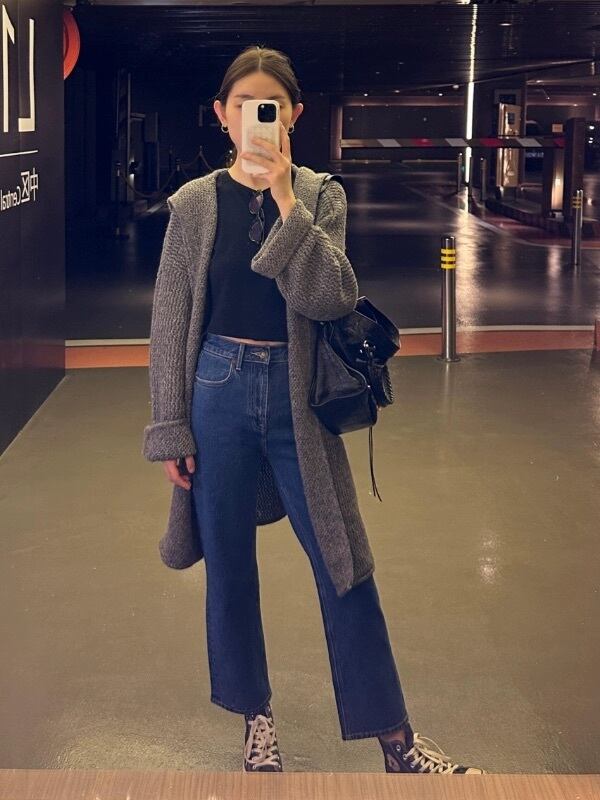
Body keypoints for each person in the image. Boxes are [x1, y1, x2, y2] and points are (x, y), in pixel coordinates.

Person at [147, 44, 487, 776]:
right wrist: (169, 425)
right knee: (229, 567)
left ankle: (396, 739)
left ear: (294, 115)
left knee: (344, 562)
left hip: (298, 397)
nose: (255, 117)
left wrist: (284, 201)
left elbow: (330, 297)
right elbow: (170, 319)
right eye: (243, 105)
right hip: (216, 389)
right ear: (221, 115)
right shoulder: (195, 203)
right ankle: (256, 722)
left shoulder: (320, 195)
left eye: (268, 106)